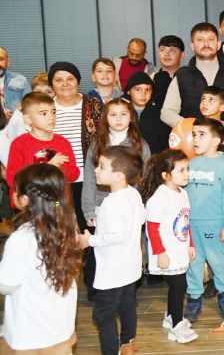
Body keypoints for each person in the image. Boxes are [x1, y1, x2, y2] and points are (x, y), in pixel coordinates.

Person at [0, 164, 81, 354]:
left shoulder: (22, 238)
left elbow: (6, 284)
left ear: (24, 200)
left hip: (30, 335)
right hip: (61, 329)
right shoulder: (68, 227)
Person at [78, 146, 146, 355]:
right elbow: (139, 218)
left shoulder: (112, 202)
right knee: (127, 306)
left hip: (112, 270)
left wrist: (89, 240)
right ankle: (128, 344)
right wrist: (103, 220)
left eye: (101, 166)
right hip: (130, 266)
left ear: (118, 176)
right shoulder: (133, 193)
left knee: (103, 314)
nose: (96, 170)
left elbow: (115, 236)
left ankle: (111, 351)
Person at [81, 98, 151, 297]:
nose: (118, 119)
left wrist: (141, 206)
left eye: (123, 114)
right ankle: (96, 287)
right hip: (100, 204)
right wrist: (88, 209)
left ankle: (129, 286)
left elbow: (146, 179)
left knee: (128, 247)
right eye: (113, 114)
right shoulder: (98, 144)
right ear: (105, 118)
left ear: (131, 117)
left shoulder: (140, 145)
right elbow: (89, 177)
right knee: (101, 246)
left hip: (129, 206)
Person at [139, 150, 198, 344]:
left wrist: (190, 244)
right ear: (166, 175)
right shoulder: (160, 197)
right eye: (181, 170)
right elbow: (152, 228)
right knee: (178, 286)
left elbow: (185, 221)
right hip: (166, 252)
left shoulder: (183, 193)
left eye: (187, 169)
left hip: (179, 249)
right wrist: (160, 252)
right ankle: (176, 325)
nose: (187, 174)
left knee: (178, 286)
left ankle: (171, 316)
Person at [161, 23, 224, 145]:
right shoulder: (182, 75)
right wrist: (190, 127)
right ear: (192, 46)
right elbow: (167, 112)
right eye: (200, 40)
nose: (206, 44)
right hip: (192, 143)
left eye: (210, 39)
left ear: (218, 45)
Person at [183, 118, 224, 322]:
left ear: (215, 141)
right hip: (191, 224)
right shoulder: (190, 164)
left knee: (218, 261)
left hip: (214, 224)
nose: (195, 139)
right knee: (193, 262)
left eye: (201, 135)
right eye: (194, 135)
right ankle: (194, 296)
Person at [50, 61, 103, 228]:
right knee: (60, 225)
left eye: (70, 79)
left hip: (89, 179)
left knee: (89, 225)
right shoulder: (45, 108)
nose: (65, 84)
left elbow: (105, 139)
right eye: (59, 80)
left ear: (78, 81)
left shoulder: (94, 106)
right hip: (56, 181)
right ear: (51, 84)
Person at [5, 92, 80, 204]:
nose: (51, 117)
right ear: (28, 119)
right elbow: (12, 179)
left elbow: (74, 175)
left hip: (57, 204)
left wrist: (60, 167)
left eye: (53, 112)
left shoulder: (63, 143)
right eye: (44, 113)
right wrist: (48, 166)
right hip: (29, 205)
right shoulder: (19, 144)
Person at [126, 71, 170, 153]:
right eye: (138, 89)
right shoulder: (121, 113)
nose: (143, 94)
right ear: (128, 91)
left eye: (148, 90)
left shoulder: (159, 114)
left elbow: (165, 145)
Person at [200, 85, 224, 151]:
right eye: (203, 99)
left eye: (211, 100)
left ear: (222, 107)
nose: (204, 103)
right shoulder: (195, 127)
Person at [152, 35, 186, 109]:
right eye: (162, 50)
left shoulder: (190, 79)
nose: (166, 54)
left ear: (182, 55)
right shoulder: (150, 79)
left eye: (172, 50)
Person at [0, 46, 31, 119]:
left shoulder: (21, 81)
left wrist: (15, 116)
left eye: (1, 59)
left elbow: (30, 109)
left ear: (8, 62)